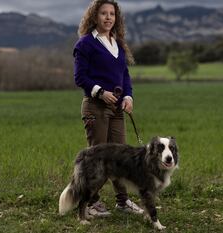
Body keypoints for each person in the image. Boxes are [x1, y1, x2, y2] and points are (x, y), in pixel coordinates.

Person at [73, 0, 144, 217]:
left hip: (116, 110)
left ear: (116, 17)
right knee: (97, 158)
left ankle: (123, 202)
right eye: (103, 13)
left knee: (120, 157)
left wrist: (128, 96)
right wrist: (100, 92)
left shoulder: (118, 43)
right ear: (94, 16)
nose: (108, 17)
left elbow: (124, 75)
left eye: (112, 13)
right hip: (95, 107)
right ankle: (92, 203)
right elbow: (80, 77)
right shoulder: (85, 44)